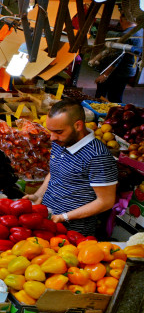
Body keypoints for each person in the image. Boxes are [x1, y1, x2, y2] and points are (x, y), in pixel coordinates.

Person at [24, 100, 118, 238]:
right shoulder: (61, 142)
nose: (52, 137)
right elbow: (55, 172)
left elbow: (105, 202)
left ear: (78, 125)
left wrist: (63, 217)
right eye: (51, 131)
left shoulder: (98, 156)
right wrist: (38, 195)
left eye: (58, 132)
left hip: (74, 232)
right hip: (48, 222)